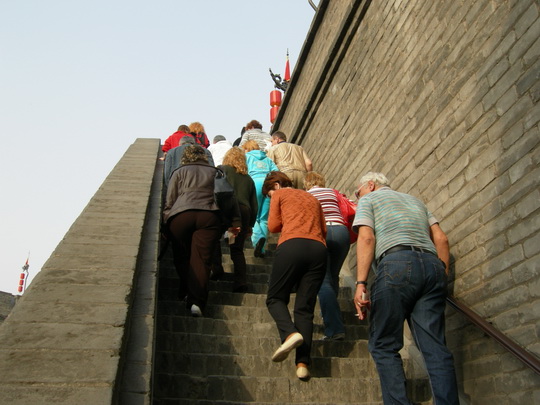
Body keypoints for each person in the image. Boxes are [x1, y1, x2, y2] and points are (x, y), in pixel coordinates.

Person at [352, 172, 459, 404]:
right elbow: (441, 239)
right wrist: (442, 274)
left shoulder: (369, 201)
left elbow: (367, 238)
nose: (356, 197)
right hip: (432, 266)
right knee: (434, 347)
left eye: (357, 192)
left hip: (396, 263)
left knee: (383, 344)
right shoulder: (416, 201)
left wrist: (361, 283)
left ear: (370, 185)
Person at [263, 171, 327, 380]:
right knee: (304, 308)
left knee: (275, 298)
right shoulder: (312, 197)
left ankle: (290, 333)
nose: (270, 196)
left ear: (276, 186)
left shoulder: (280, 195)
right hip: (318, 249)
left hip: (292, 244)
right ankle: (302, 364)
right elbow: (323, 230)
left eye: (269, 193)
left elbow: (273, 226)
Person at [162, 145, 239, 317]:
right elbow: (229, 196)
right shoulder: (216, 172)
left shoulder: (179, 171)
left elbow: (170, 201)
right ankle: (196, 302)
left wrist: (166, 223)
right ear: (204, 156)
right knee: (202, 260)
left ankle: (185, 290)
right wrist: (233, 221)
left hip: (181, 216)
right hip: (209, 215)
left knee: (182, 257)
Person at [304, 171, 350, 341]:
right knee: (333, 276)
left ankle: (334, 328)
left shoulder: (307, 195)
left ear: (306, 183)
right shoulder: (333, 192)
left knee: (323, 281)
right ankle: (332, 314)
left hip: (321, 233)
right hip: (341, 232)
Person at [211, 147, 258, 292]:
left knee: (214, 239)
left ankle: (217, 269)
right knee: (237, 249)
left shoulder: (221, 169)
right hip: (244, 212)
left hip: (225, 209)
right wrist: (250, 225)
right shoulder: (248, 179)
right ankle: (240, 282)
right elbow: (254, 204)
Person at [242, 140, 279, 258]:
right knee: (263, 218)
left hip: (254, 183)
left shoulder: (247, 157)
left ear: (247, 148)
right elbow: (277, 172)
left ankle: (258, 239)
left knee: (254, 215)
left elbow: (243, 171)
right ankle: (261, 248)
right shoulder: (267, 158)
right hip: (268, 185)